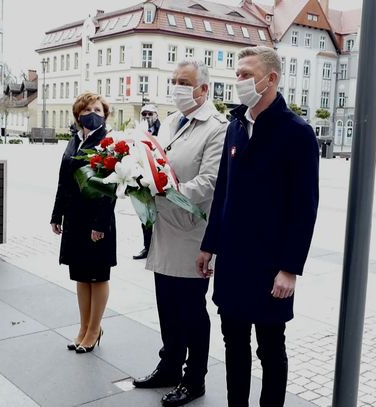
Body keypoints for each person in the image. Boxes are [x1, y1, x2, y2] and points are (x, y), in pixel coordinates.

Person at [196, 46, 319, 407]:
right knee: (233, 343)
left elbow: (304, 207)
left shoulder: (297, 133)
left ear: (271, 78)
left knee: (270, 348)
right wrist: (209, 245)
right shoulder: (236, 126)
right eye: (237, 74)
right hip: (233, 262)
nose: (239, 81)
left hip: (270, 267)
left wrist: (289, 269)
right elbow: (223, 192)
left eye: (246, 74)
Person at [132, 59, 228, 407]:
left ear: (204, 89)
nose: (177, 87)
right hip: (164, 228)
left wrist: (163, 190)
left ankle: (194, 378)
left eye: (184, 82)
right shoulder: (171, 121)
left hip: (191, 232)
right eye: (173, 80)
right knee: (167, 306)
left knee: (191, 311)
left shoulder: (217, 128)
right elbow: (155, 161)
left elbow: (210, 182)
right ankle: (169, 365)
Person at [50, 92, 117, 354]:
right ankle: (84, 327)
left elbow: (109, 189)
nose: (94, 114)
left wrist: (100, 225)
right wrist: (57, 215)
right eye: (89, 109)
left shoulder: (108, 144)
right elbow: (63, 181)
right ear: (78, 114)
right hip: (75, 219)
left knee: (97, 275)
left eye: (99, 110)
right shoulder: (74, 140)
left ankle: (94, 329)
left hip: (97, 221)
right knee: (80, 274)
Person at [133, 104, 161, 260]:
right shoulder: (139, 132)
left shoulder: (163, 131)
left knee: (159, 216)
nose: (147, 116)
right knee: (145, 215)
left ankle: (158, 248)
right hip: (142, 179)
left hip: (158, 179)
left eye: (150, 113)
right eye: (144, 113)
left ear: (156, 115)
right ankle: (147, 247)